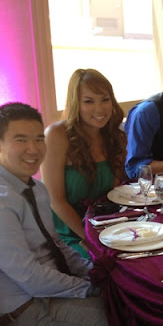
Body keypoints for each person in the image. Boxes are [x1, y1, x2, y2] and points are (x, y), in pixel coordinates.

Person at [0, 103, 114, 326]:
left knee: (131, 301)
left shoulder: (35, 188)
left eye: (38, 139)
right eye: (21, 140)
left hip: (51, 294)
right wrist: (88, 289)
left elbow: (56, 244)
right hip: (28, 314)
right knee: (131, 320)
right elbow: (30, 278)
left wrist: (94, 273)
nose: (33, 149)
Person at [42, 69, 126, 258]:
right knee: (112, 266)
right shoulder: (56, 135)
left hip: (103, 226)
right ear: (76, 103)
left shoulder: (114, 135)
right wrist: (91, 239)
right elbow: (56, 201)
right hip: (67, 232)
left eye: (105, 99)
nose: (99, 109)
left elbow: (114, 195)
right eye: (89, 101)